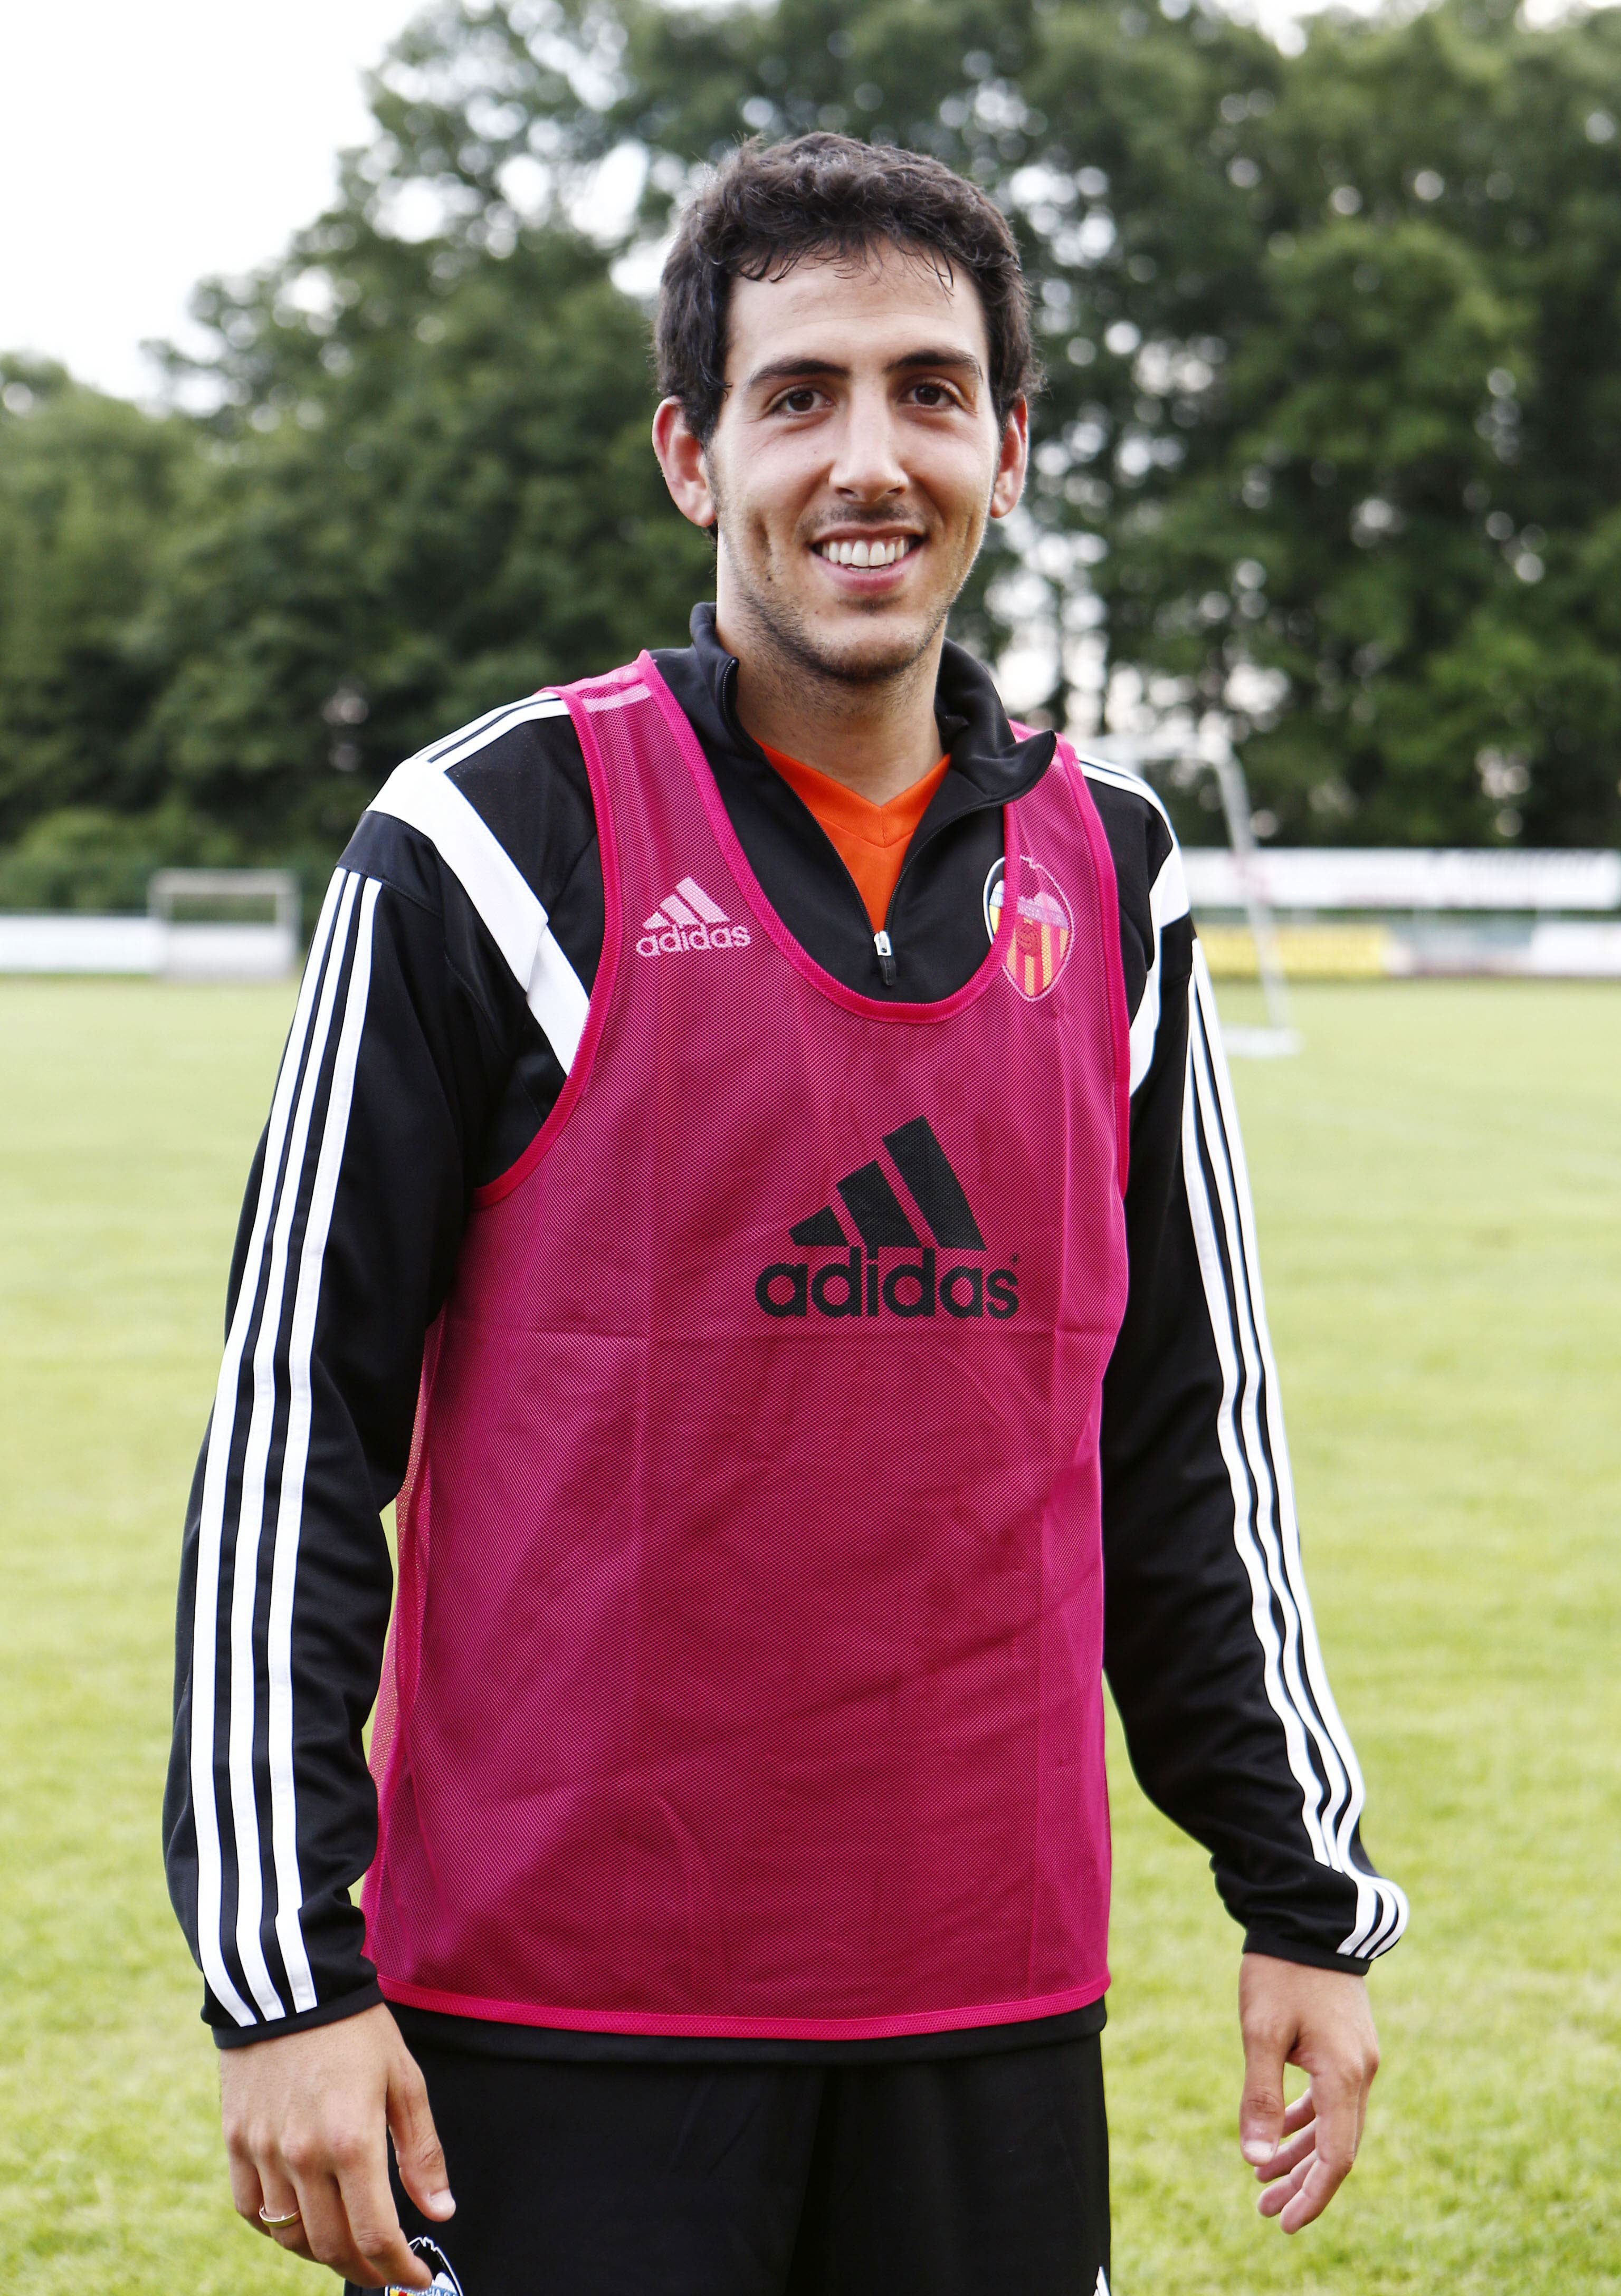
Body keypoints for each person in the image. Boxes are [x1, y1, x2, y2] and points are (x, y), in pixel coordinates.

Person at [165, 133, 1405, 2296]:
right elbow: (299, 1430)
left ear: (1007, 451)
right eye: (800, 393)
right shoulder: (484, 845)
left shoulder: (1113, 871)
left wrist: (1299, 1889)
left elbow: (1181, 1431)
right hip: (559, 2020)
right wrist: (285, 1972)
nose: (870, 458)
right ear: (689, 450)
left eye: (931, 392)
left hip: (987, 2010)